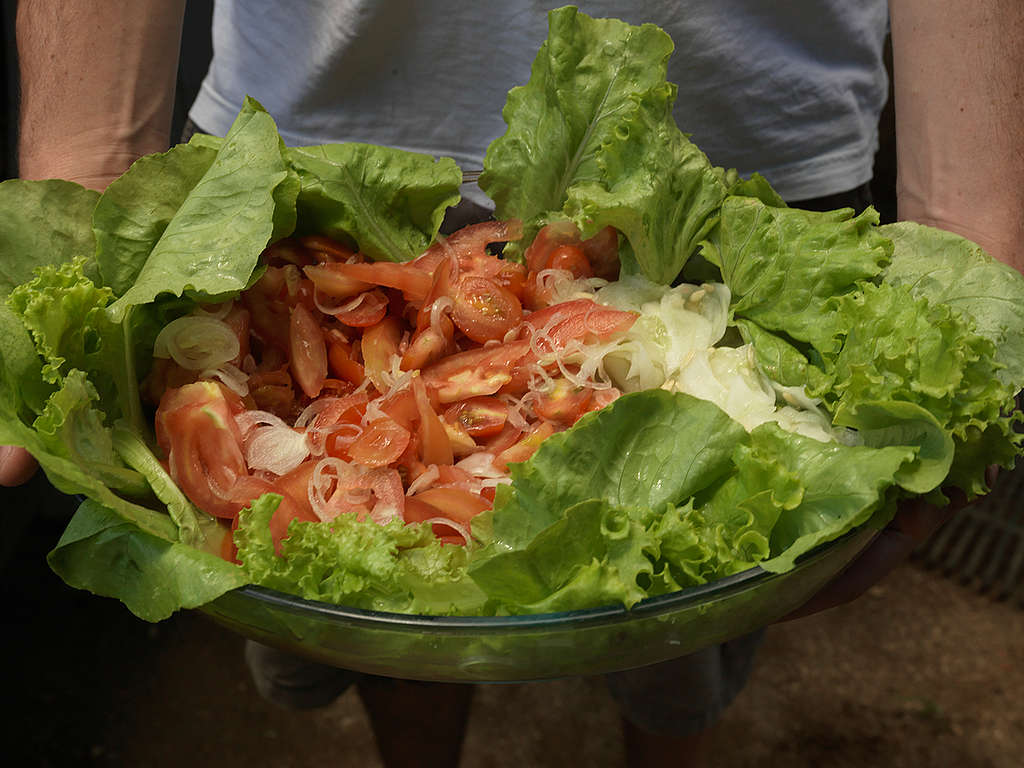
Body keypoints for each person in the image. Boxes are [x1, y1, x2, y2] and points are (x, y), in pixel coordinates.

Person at [10, 1, 1024, 766]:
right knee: (374, 599)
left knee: (683, 605)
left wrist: (971, 224)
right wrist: (85, 161)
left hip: (738, 161)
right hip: (305, 127)